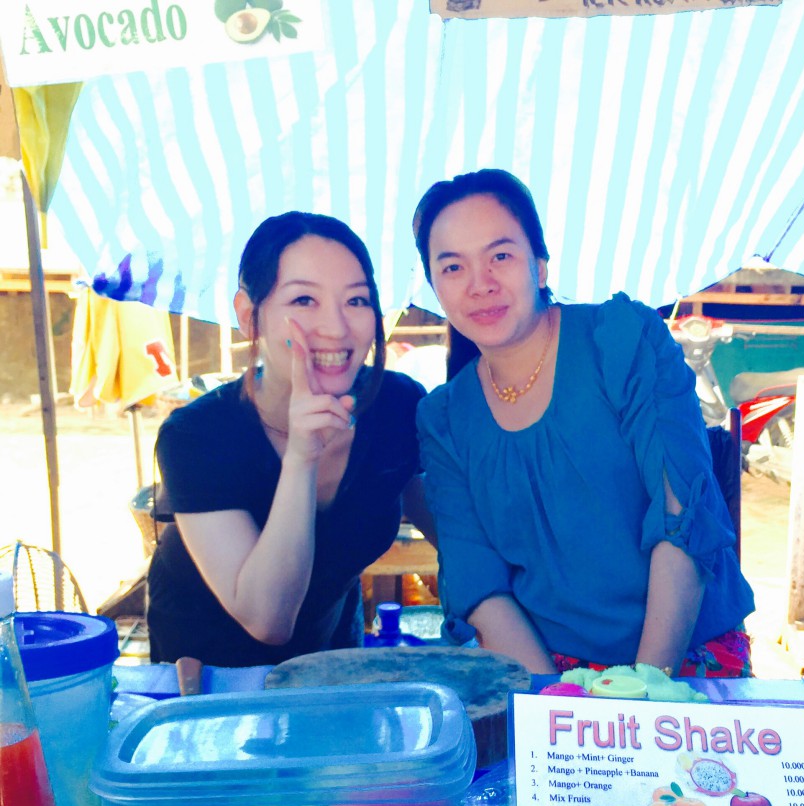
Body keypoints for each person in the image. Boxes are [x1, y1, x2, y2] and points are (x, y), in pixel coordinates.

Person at [412, 169, 755, 677]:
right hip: (545, 668)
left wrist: (644, 693)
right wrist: (554, 702)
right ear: (435, 288)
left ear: (540, 266)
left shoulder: (622, 340)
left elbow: (681, 515)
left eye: (500, 256)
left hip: (682, 657)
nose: (480, 284)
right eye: (453, 267)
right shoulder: (444, 418)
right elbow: (477, 582)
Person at [147, 212, 432, 667]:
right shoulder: (196, 437)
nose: (336, 327)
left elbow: (456, 533)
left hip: (328, 664)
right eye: (303, 299)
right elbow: (268, 619)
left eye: (356, 300)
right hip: (210, 677)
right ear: (249, 315)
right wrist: (302, 455)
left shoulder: (397, 407)